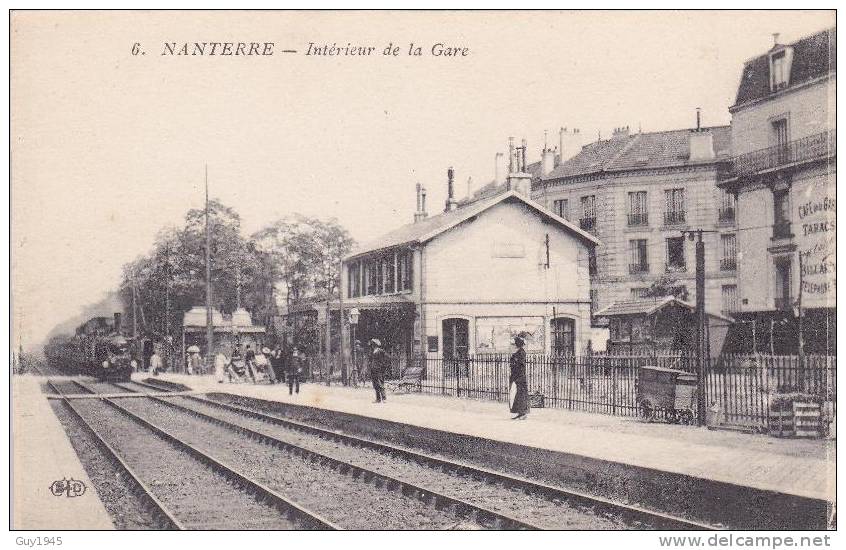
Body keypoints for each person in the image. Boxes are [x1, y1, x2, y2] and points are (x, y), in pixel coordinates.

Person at [509, 336, 530, 420]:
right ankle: (519, 413)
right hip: (516, 376)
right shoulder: (518, 352)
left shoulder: (521, 353)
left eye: (514, 344)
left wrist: (517, 376)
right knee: (517, 395)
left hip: (520, 377)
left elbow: (520, 366)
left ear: (517, 344)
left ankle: (523, 413)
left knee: (521, 395)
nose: (513, 345)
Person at [368, 338, 388, 403]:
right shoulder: (372, 351)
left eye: (373, 344)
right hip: (373, 369)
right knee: (375, 384)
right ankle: (378, 399)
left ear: (375, 344)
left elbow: (386, 358)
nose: (372, 345)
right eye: (372, 344)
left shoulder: (381, 351)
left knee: (380, 383)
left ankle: (384, 398)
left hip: (379, 370)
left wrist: (382, 366)